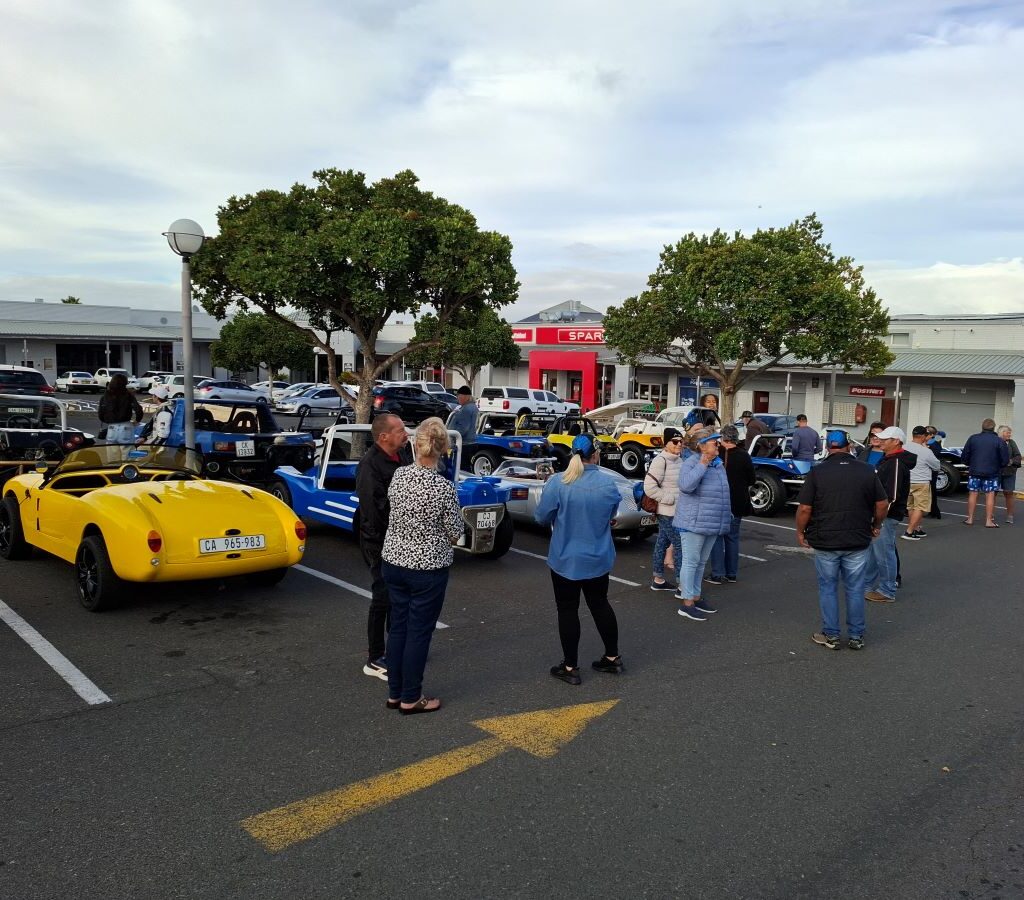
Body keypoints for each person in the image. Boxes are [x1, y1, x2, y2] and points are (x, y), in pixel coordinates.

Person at [381, 418, 463, 714]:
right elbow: (455, 531)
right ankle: (411, 696)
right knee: (418, 632)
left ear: (416, 445)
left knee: (398, 627)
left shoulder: (399, 475)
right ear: (443, 449)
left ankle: (395, 692)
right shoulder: (443, 488)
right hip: (428, 567)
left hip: (394, 560)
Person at [535, 433, 623, 685]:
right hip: (598, 556)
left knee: (567, 609)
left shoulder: (558, 482)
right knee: (600, 604)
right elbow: (612, 515)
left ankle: (570, 666)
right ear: (596, 455)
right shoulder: (608, 484)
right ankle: (612, 657)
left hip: (566, 557)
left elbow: (542, 517)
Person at [796, 431, 889, 651]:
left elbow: (805, 508)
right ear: (849, 446)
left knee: (828, 588)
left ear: (829, 447)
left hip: (825, 538)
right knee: (855, 588)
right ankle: (856, 636)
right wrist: (876, 525)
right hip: (857, 538)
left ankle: (831, 634)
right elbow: (882, 504)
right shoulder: (866, 470)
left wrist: (800, 532)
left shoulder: (817, 472)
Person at [355, 413, 412, 682]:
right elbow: (374, 510)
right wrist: (398, 530)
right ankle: (375, 657)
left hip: (400, 539)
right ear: (383, 437)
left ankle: (396, 647)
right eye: (400, 430)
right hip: (378, 541)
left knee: (399, 596)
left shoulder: (402, 455)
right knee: (383, 596)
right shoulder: (369, 466)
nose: (406, 434)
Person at [673, 427, 731, 621]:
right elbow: (686, 486)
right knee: (691, 562)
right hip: (693, 522)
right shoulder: (691, 462)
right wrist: (703, 463)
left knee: (700, 562)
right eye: (714, 442)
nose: (718, 444)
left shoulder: (718, 464)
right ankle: (687, 603)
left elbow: (722, 493)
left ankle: (695, 597)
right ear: (702, 446)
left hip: (711, 522)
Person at [863, 427, 913, 603]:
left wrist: (878, 518)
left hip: (886, 515)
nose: (881, 441)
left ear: (896, 441)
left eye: (885, 439)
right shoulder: (890, 460)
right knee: (874, 551)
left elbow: (891, 495)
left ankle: (887, 590)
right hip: (881, 514)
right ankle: (867, 585)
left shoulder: (895, 462)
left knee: (883, 552)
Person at [707, 425, 756, 584]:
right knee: (732, 538)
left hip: (719, 501)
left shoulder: (717, 454)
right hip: (738, 502)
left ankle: (717, 573)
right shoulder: (744, 455)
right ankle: (731, 573)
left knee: (716, 538)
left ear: (723, 437)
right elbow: (752, 479)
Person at [644, 427, 684, 591]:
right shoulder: (661, 460)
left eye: (681, 441)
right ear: (666, 443)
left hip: (677, 511)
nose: (679, 444)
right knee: (680, 545)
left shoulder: (679, 460)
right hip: (667, 512)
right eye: (675, 441)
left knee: (662, 542)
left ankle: (658, 579)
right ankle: (682, 585)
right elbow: (649, 487)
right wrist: (669, 499)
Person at [960, 418, 1010, 528]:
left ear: (982, 427)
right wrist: (999, 466)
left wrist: (970, 464)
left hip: (975, 471)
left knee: (973, 493)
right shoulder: (999, 441)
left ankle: (970, 519)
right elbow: (1005, 460)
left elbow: (964, 456)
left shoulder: (973, 438)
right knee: (990, 495)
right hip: (992, 472)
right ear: (993, 427)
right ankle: (988, 521)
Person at [900, 426, 940, 541]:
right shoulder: (926, 451)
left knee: (911, 506)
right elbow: (936, 466)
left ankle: (916, 528)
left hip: (907, 481)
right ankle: (909, 531)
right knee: (920, 507)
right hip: (921, 482)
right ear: (923, 436)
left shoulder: (903, 448)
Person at [98, 373, 143, 444]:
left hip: (111, 428)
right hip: (126, 426)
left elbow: (101, 414)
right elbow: (138, 410)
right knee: (127, 450)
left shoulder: (105, 396)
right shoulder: (128, 395)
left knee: (112, 450)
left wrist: (107, 420)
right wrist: (137, 420)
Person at [448, 386, 478, 466]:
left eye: (459, 396)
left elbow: (463, 428)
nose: (457, 398)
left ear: (466, 397)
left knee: (459, 468)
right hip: (470, 442)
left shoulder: (466, 409)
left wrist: (452, 436)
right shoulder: (473, 407)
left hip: (463, 444)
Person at [997, 425, 1020, 525]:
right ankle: (990, 515)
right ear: (1002, 433)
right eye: (1008, 432)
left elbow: (1018, 456)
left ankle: (1010, 516)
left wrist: (1011, 461)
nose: (1010, 434)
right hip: (996, 472)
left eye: (1010, 433)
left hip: (1009, 472)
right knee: (992, 493)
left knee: (1009, 493)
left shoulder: (1011, 443)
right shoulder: (995, 442)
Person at [925, 426, 945, 520]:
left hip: (931, 470)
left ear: (931, 435)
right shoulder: (932, 444)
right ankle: (932, 510)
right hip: (928, 470)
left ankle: (934, 511)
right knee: (930, 491)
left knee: (931, 491)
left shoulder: (934, 445)